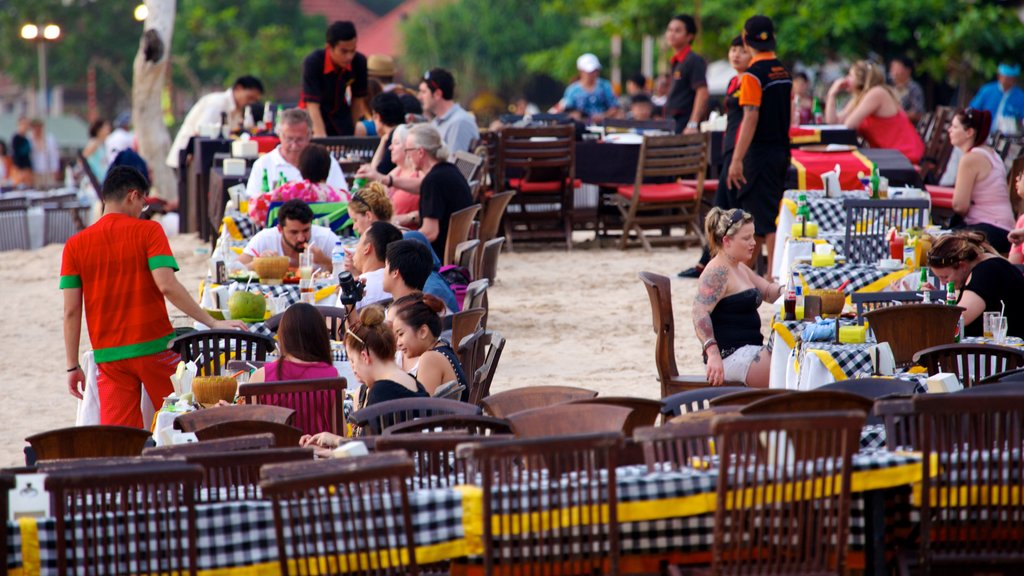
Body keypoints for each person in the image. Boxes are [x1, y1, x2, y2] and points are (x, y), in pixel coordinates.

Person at [61, 166, 247, 427]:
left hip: (109, 355)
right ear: (133, 195)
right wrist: (213, 322)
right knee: (186, 419)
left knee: (123, 438)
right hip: (155, 347)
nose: (142, 210)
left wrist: (72, 366)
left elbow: (71, 311)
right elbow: (167, 285)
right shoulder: (149, 231)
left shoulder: (74, 246)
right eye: (143, 203)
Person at [680, 35, 752, 279]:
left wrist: (738, 157)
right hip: (729, 148)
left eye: (742, 50)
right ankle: (710, 260)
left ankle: (713, 262)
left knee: (728, 209)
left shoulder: (751, 81)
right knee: (722, 208)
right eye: (732, 50)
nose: (735, 55)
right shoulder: (734, 81)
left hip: (740, 153)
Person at [726, 16, 792, 280]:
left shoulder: (752, 76)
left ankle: (771, 276)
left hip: (760, 153)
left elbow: (750, 117)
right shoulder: (782, 71)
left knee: (763, 218)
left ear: (745, 39)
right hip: (781, 150)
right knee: (772, 211)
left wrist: (737, 158)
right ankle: (760, 273)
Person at [692, 208, 784, 388]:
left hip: (751, 350)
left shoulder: (739, 267)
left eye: (753, 236)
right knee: (789, 366)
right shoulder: (717, 272)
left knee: (793, 353)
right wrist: (713, 354)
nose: (753, 243)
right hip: (729, 357)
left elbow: (767, 292)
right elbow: (699, 312)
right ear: (727, 241)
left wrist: (792, 292)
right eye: (746, 238)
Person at [247, 303, 338, 434]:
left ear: (283, 336)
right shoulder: (332, 375)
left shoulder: (260, 376)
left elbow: (253, 431)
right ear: (320, 336)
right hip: (317, 452)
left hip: (275, 453)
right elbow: (338, 432)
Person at [927, 230, 1024, 338]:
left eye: (945, 277)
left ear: (962, 266)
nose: (942, 282)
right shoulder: (982, 266)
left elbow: (956, 319)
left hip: (1010, 351)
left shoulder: (987, 272)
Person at [825, 60, 924, 164]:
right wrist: (832, 94)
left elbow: (849, 125)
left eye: (850, 75)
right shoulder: (861, 97)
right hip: (889, 156)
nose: (846, 79)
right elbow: (833, 123)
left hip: (902, 157)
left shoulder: (877, 93)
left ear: (860, 79)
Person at [946, 108, 1016, 253]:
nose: (949, 130)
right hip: (1005, 228)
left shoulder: (970, 158)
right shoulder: (991, 153)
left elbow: (960, 206)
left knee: (942, 243)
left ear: (969, 132)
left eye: (954, 126)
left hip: (991, 229)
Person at [245, 108, 348, 200]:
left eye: (299, 140)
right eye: (289, 139)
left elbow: (342, 199)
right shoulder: (263, 164)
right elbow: (252, 200)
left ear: (309, 135)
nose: (294, 145)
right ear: (279, 135)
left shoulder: (326, 161)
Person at [166, 76, 265, 168]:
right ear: (238, 88)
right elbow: (201, 131)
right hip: (187, 160)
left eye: (254, 100)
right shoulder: (218, 103)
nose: (251, 103)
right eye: (250, 98)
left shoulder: (237, 111)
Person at [406, 123, 473, 258]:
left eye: (408, 150)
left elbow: (430, 233)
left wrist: (399, 241)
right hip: (454, 256)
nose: (407, 156)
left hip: (437, 260)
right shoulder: (450, 171)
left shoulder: (433, 181)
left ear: (420, 152)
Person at [389, 292, 470, 397]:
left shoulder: (430, 359)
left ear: (423, 332)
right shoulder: (443, 347)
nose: (398, 343)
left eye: (401, 334)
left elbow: (422, 408)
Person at [248, 144, 349, 226]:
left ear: (300, 167)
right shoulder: (341, 195)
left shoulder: (293, 190)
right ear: (328, 168)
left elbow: (255, 207)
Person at [300, 20, 369, 137]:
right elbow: (312, 105)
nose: (349, 57)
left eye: (352, 51)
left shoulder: (359, 62)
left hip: (341, 116)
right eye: (344, 51)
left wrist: (352, 136)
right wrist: (321, 138)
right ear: (329, 47)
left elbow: (357, 101)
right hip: (313, 117)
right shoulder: (314, 62)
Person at [239, 199, 339, 270]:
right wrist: (258, 263)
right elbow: (235, 270)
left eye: (306, 230)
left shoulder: (326, 238)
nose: (301, 238)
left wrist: (324, 260)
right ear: (280, 229)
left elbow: (350, 272)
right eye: (294, 232)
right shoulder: (265, 238)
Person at [356, 124, 422, 226]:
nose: (390, 147)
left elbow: (428, 212)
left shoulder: (419, 174)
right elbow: (375, 176)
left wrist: (401, 219)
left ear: (408, 146)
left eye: (396, 143)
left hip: (408, 235)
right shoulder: (397, 171)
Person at [341, 220, 403, 310]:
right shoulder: (398, 284)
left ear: (367, 248)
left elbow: (337, 322)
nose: (355, 248)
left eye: (359, 241)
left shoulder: (350, 291)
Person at [664, 14, 708, 134]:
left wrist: (693, 123)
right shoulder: (676, 61)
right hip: (672, 121)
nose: (671, 34)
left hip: (685, 123)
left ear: (689, 36)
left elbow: (702, 91)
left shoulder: (693, 60)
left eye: (677, 31)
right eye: (669, 30)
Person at [418, 68, 479, 153]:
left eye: (423, 92)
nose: (419, 97)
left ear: (437, 94)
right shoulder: (436, 123)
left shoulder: (459, 122)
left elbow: (454, 164)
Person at [553, 54, 619, 123]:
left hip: (604, 125)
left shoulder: (605, 86)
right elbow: (568, 110)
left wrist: (603, 116)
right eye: (589, 72)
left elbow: (614, 107)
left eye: (595, 71)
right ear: (581, 71)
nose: (592, 74)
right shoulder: (572, 90)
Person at [354, 92, 406, 178]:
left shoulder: (394, 138)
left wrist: (382, 143)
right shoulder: (403, 132)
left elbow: (376, 173)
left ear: (377, 117)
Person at [969, 63, 1024, 136]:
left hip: (1007, 137)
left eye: (1012, 78)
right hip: (983, 132)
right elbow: (973, 109)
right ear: (999, 76)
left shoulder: (1021, 97)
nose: (1009, 81)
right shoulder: (987, 90)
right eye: (1007, 77)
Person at [889, 56, 925, 125]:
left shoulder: (914, 88)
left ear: (908, 70)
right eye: (892, 68)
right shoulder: (891, 88)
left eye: (897, 68)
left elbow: (917, 113)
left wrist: (894, 116)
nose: (893, 72)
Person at [29, 118, 60, 188]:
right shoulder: (29, 140)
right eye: (35, 127)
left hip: (47, 172)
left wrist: (55, 169)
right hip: (35, 172)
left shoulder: (49, 139)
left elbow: (54, 155)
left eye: (39, 127)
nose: (37, 129)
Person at [82, 119, 112, 183]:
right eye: (105, 127)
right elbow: (82, 160)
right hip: (94, 182)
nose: (108, 129)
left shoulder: (102, 144)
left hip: (102, 180)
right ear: (99, 130)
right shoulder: (94, 143)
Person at [10, 117, 33, 186]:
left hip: (27, 169)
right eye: (23, 124)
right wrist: (20, 170)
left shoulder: (27, 139)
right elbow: (15, 155)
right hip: (19, 170)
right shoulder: (16, 138)